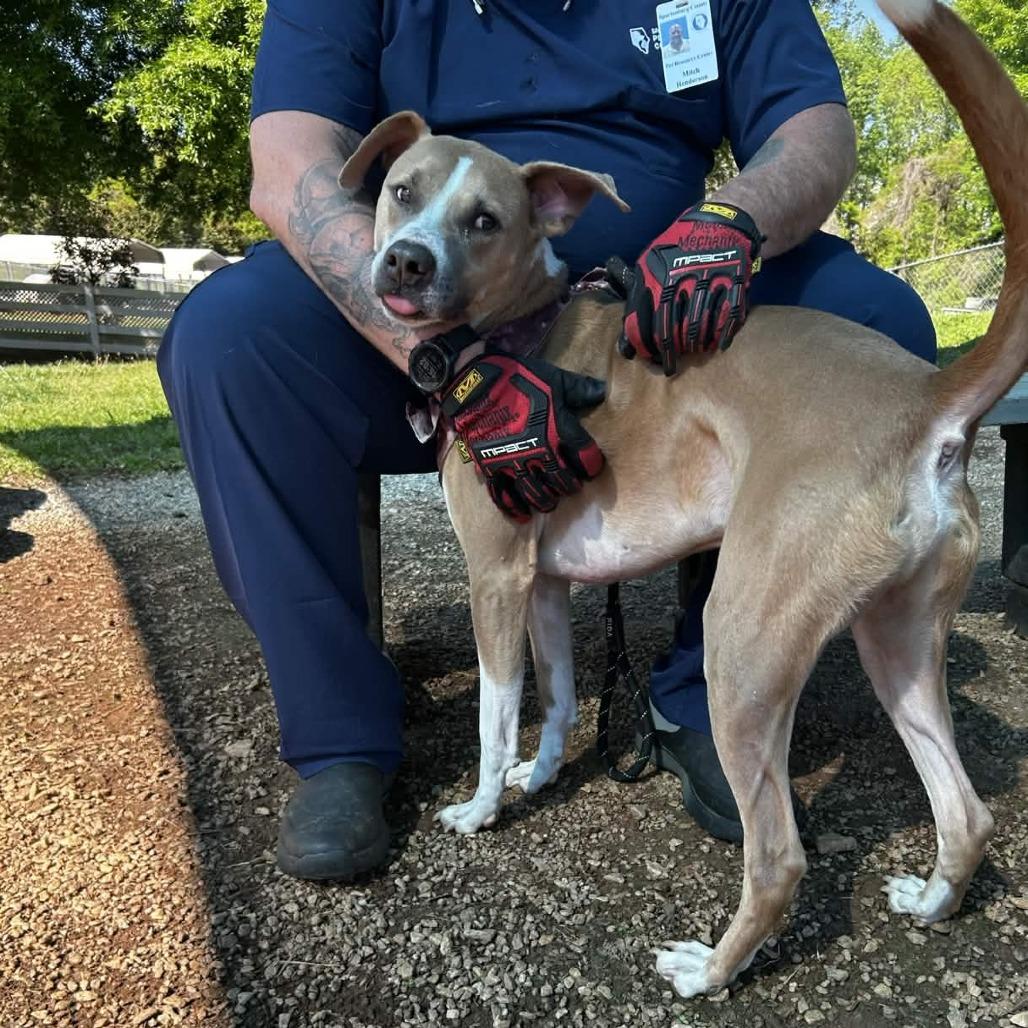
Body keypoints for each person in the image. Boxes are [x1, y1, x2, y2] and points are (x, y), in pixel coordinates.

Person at [157, 0, 936, 880]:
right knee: (228, 338)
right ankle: (338, 731)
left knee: (874, 319)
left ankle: (709, 687)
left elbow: (815, 132)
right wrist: (446, 358)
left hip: (653, 312)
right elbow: (291, 167)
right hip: (401, 327)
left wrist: (733, 222)